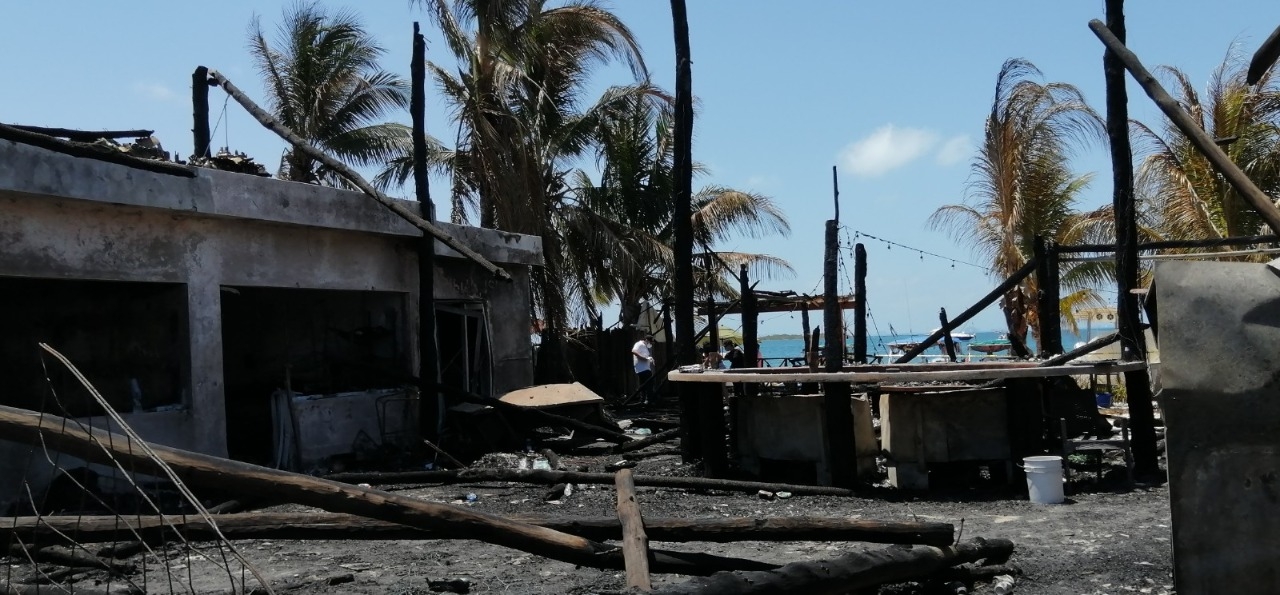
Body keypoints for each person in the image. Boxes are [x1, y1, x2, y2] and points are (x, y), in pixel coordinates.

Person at [631, 334, 658, 406]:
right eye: (650, 342)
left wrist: (650, 358)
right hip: (642, 368)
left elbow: (646, 355)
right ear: (646, 340)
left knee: (643, 384)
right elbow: (634, 351)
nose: (650, 344)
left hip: (645, 368)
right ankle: (649, 400)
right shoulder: (639, 344)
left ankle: (643, 400)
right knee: (649, 384)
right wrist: (644, 358)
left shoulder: (644, 347)